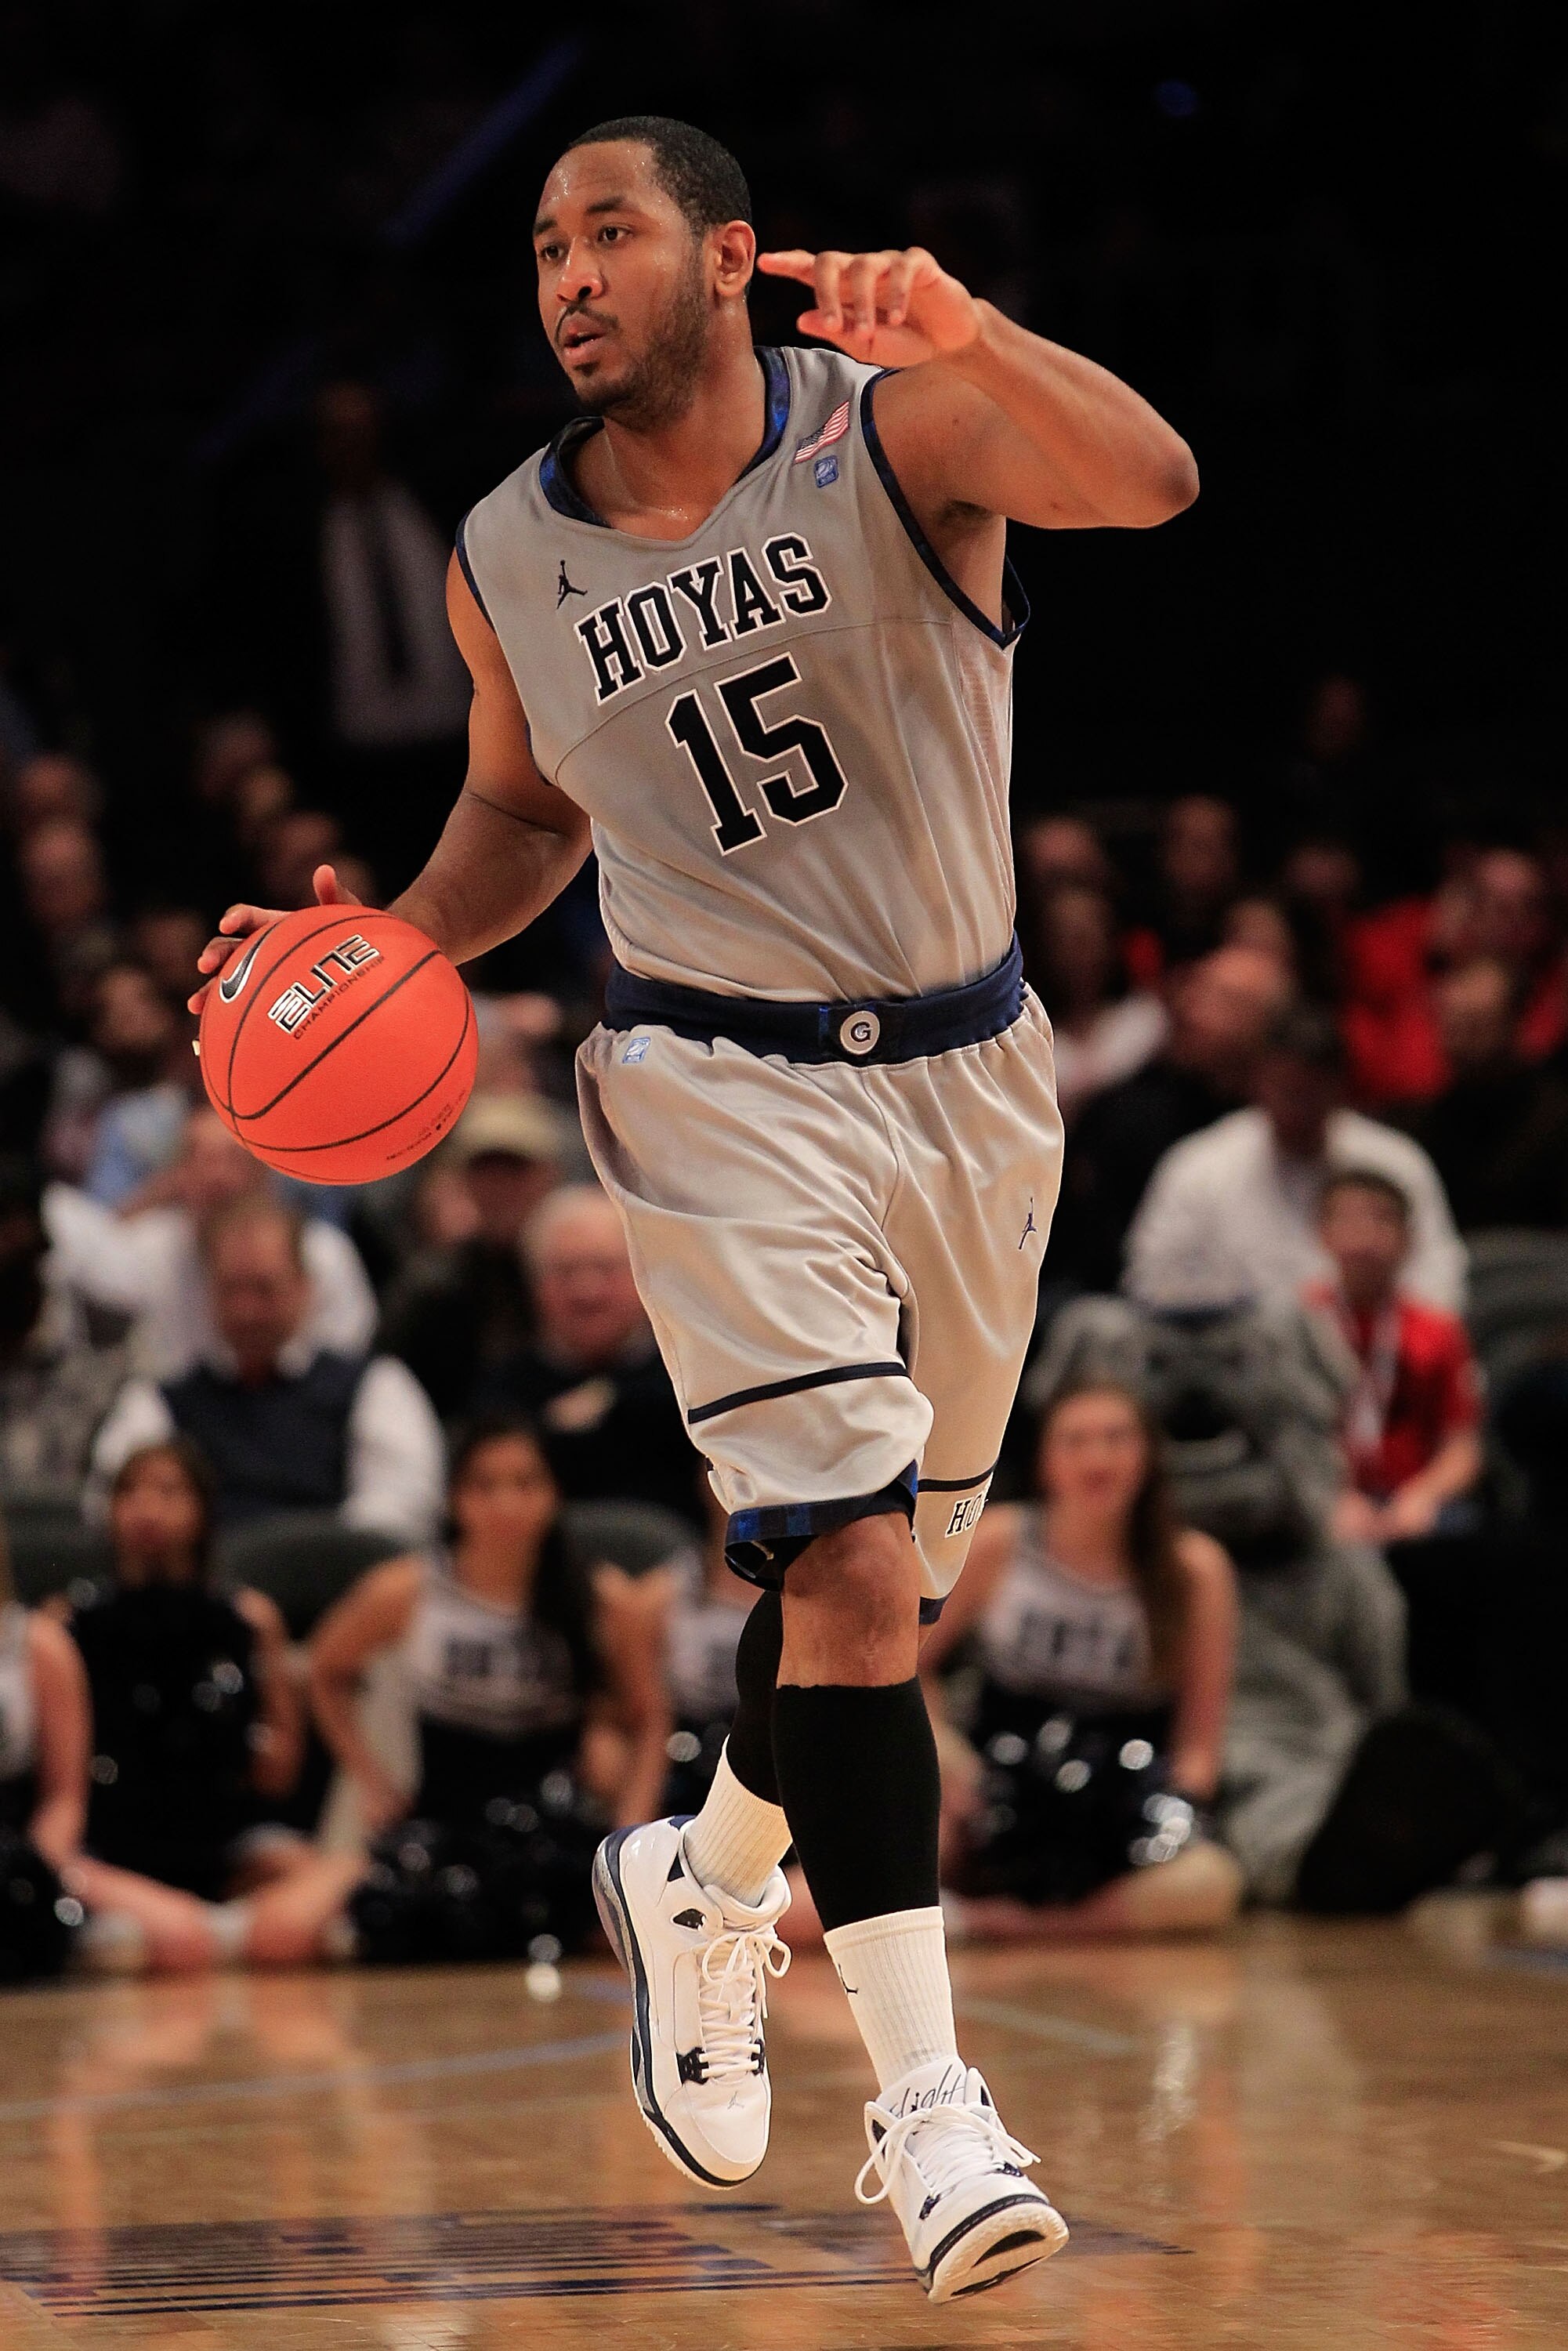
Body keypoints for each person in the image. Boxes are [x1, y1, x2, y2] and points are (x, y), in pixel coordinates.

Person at [193, 112, 1197, 2298]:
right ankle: (928, 2108)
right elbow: (519, 809)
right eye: (545, 244)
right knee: (844, 1566)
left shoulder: (900, 423)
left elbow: (1155, 482)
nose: (567, 272)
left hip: (969, 1078)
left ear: (729, 257)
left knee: (877, 1608)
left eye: (613, 230)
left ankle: (707, 1866)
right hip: (712, 1084)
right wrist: (369, 957)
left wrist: (984, 332)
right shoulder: (503, 555)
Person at [306, 1417, 669, 1964]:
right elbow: (325, 1670)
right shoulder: (408, 1589)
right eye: (484, 1485)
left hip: (555, 1839)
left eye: (525, 1484)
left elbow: (649, 1718)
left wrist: (631, 1833)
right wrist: (371, 1779)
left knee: (639, 1937)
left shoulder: (603, 1598)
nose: (506, 1504)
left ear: (553, 1495)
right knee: (319, 1933)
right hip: (440, 1832)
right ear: (454, 1498)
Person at [920, 1382, 1240, 1940]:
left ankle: (1015, 1927)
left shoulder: (1195, 1570)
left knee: (1212, 1882)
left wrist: (1174, 1816)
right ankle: (997, 1917)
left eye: (1117, 1439)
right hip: (999, 1784)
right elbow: (908, 1664)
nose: (1097, 1459)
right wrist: (948, 1763)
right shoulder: (999, 1541)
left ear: (1147, 1457)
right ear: (1045, 1459)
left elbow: (1198, 1750)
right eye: (1075, 1441)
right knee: (898, 1851)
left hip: (1121, 1798)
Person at [64, 1439, 330, 1970]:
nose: (148, 1508)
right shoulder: (69, 1624)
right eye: (131, 1492)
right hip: (112, 1843)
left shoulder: (250, 1620)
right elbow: (59, 1781)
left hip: (224, 1841)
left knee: (334, 1876)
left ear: (204, 1510)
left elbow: (280, 1773)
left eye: (169, 1491)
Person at [90, 1198, 444, 1542]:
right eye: (231, 1289)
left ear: (305, 1288)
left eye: (264, 1289)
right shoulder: (162, 1401)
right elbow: (110, 1500)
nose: (247, 1311)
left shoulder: (374, 1387)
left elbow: (401, 1509)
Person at [1126, 1004, 1465, 1314]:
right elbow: (1151, 1279)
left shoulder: (1395, 1161)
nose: (1299, 1108)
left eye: (1312, 1091)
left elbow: (1439, 1277)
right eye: (1288, 1090)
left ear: (1339, 1087)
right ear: (1258, 1082)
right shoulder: (1200, 1165)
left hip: (1372, 1354)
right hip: (1237, 1357)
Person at [45, 1107, 377, 1381]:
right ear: (177, 1176)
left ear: (266, 1173)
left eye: (233, 1159)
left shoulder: (325, 1255)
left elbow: (345, 1366)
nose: (217, 1178)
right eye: (200, 1159)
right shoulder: (145, 1248)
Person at [1050, 944, 1293, 1295]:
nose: (1192, 1009)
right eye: (1197, 991)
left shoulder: (1289, 1121)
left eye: (1224, 1000)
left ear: (1269, 1023)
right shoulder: (1122, 1114)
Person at [479, 1185, 705, 1525]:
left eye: (605, 1268)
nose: (587, 1291)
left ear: (642, 1273)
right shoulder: (502, 1396)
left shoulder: (696, 1382)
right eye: (566, 1271)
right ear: (534, 1283)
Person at [1305, 1170, 1482, 1546]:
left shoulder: (1438, 1330)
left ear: (1408, 1239)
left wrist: (1422, 1496)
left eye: (1381, 1219)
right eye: (1349, 1219)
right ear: (1321, 1233)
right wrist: (1330, 1497)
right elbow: (1277, 1438)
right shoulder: (1294, 1326)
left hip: (1410, 1497)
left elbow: (1462, 1448)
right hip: (1321, 1494)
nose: (1365, 1235)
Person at [378, 1092, 569, 1420]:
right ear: (463, 1180)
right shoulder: (432, 1288)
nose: (500, 1186)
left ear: (549, 1175)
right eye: (485, 1170)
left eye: (515, 1169)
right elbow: (390, 1390)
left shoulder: (585, 1274)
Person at [1400, 960, 1568, 1233]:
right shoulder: (1421, 1123)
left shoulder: (1555, 1120)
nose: (1459, 1039)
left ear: (1515, 1021)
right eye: (1453, 1024)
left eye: (1476, 1024)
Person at [1020, 882, 1166, 1125]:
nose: (1073, 954)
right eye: (1060, 939)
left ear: (1111, 941)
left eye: (1084, 938)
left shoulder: (1147, 1021)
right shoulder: (1026, 1032)